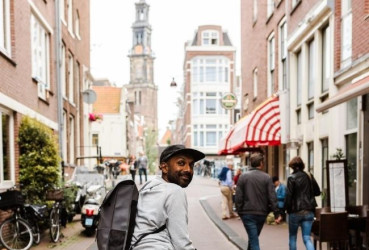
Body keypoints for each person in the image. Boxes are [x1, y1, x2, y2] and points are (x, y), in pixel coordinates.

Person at [131, 144, 205, 249]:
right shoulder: (175, 191)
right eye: (181, 163)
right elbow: (182, 244)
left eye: (191, 165)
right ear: (164, 167)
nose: (188, 169)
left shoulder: (147, 188)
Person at [235, 152, 281, 250]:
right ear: (261, 163)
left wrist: (239, 211)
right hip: (261, 213)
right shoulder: (267, 177)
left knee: (253, 239)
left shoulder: (243, 177)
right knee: (253, 238)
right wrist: (277, 213)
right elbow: (272, 197)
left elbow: (238, 196)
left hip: (247, 213)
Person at [285, 156, 321, 250]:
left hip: (295, 211)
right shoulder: (309, 176)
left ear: (292, 167)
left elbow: (288, 196)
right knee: (307, 238)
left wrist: (285, 210)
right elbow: (317, 192)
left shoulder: (291, 178)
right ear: (302, 165)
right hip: (309, 211)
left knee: (293, 237)